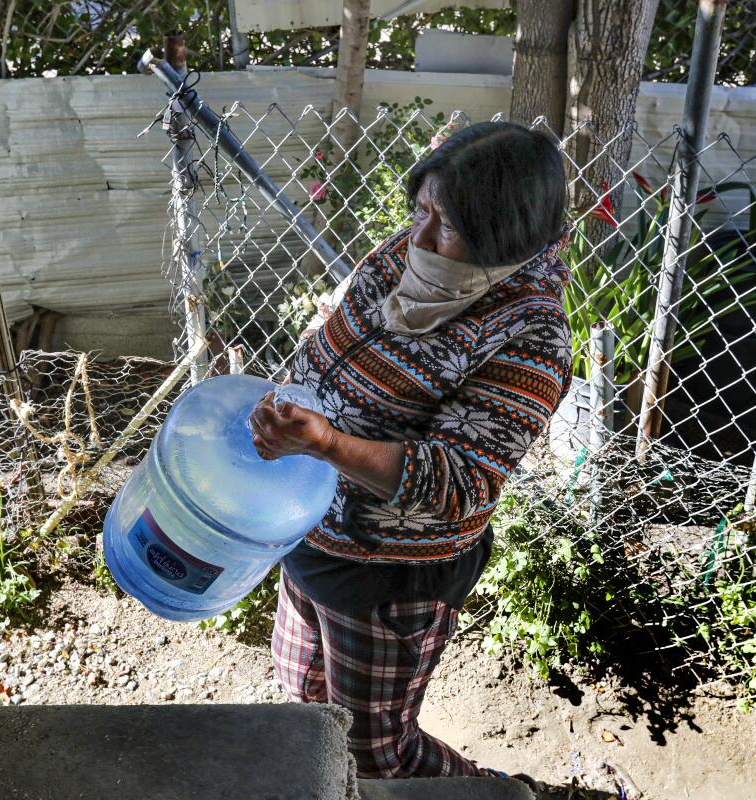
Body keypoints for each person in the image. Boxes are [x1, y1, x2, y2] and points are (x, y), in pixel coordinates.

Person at [247, 120, 572, 782]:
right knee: (305, 702)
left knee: (376, 753)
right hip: (310, 531)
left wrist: (328, 442)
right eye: (420, 209)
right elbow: (338, 335)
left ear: (501, 237)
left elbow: (458, 484)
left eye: (446, 225)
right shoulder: (410, 254)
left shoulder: (531, 334)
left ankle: (493, 797)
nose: (418, 237)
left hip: (388, 576)